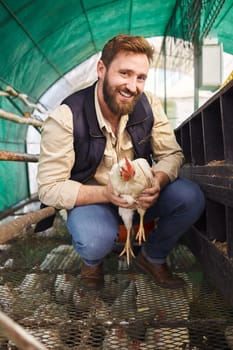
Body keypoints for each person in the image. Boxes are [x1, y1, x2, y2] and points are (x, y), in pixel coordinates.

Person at [37, 34, 205, 291]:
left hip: (141, 197)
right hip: (95, 200)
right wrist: (105, 192)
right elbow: (49, 188)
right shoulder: (66, 117)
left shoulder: (149, 105)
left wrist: (156, 182)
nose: (132, 85)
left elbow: (171, 154)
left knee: (190, 197)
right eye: (124, 73)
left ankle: (152, 256)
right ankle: (92, 261)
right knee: (94, 239)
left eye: (140, 77)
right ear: (101, 69)